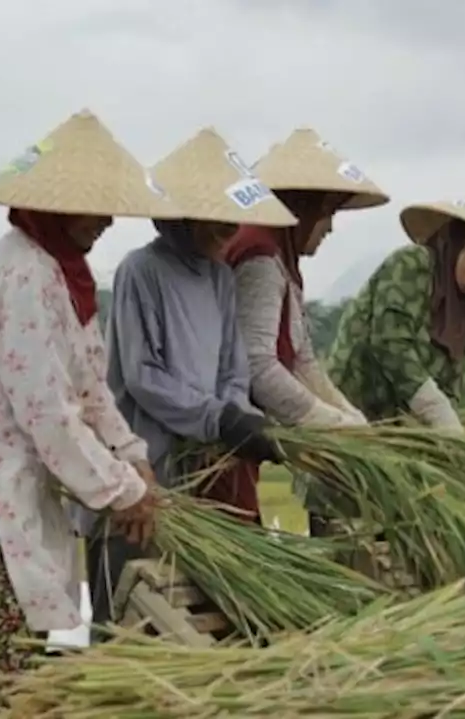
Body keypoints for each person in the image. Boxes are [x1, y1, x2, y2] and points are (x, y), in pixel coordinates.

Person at [0, 109, 180, 713]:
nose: (110, 220)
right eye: (98, 206)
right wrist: (120, 491)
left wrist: (133, 458)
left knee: (24, 661)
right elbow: (51, 416)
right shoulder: (25, 274)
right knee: (9, 681)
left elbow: (89, 386)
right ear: (58, 207)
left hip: (17, 478)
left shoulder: (68, 274)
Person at [76, 127, 298, 627]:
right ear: (183, 212)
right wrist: (215, 418)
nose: (229, 228)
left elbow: (232, 365)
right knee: (123, 611)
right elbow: (142, 374)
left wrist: (234, 416)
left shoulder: (220, 277)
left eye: (233, 217)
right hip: (141, 468)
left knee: (176, 614)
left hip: (196, 475)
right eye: (216, 216)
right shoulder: (141, 271)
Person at [222, 128, 389, 538]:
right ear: (304, 208)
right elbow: (258, 364)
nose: (329, 228)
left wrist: (351, 421)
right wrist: (325, 422)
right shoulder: (260, 256)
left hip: (243, 437)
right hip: (223, 435)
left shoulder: (282, 257)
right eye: (327, 213)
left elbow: (302, 359)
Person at [328, 194, 465, 434]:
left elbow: (451, 387)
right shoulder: (413, 264)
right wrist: (435, 409)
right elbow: (390, 344)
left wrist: (445, 430)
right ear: (461, 240)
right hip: (350, 417)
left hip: (397, 434)